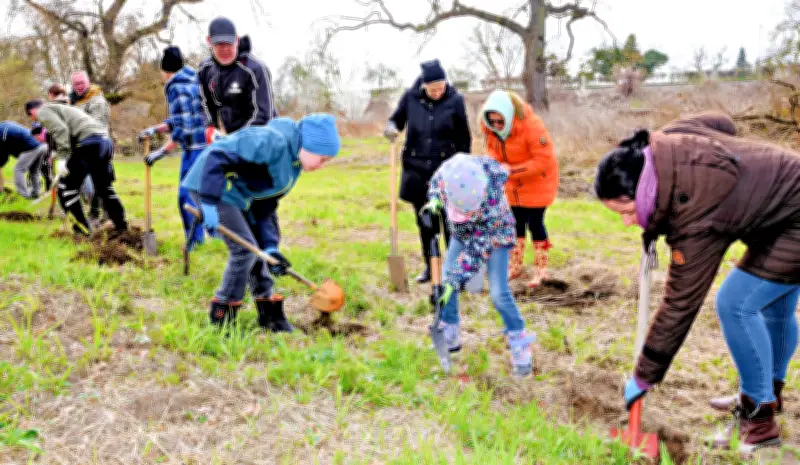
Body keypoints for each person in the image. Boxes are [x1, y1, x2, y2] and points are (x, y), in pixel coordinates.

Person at [594, 111, 800, 454]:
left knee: (736, 303)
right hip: (783, 203)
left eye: (627, 211)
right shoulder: (669, 141)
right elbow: (722, 122)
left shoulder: (693, 212)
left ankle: (758, 420)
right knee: (775, 309)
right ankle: (768, 392)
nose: (628, 223)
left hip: (793, 219)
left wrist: (645, 375)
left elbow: (680, 305)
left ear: (644, 188)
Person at [182, 113, 340, 332]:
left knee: (258, 250)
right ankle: (221, 318)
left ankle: (270, 315)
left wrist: (270, 246)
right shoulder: (270, 141)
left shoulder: (293, 166)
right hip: (211, 185)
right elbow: (217, 157)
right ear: (309, 145)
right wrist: (208, 203)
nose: (321, 166)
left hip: (238, 196)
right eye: (322, 159)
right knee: (244, 250)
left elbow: (265, 208)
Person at [421, 153, 535, 377]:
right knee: (445, 279)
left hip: (495, 236)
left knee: (498, 292)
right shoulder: (449, 173)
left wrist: (455, 281)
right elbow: (436, 182)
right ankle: (450, 331)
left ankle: (520, 342)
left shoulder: (491, 204)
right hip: (461, 234)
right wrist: (434, 200)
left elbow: (474, 254)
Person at [197, 17, 281, 260]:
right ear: (208, 43)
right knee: (238, 194)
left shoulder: (255, 69)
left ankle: (270, 249)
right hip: (232, 139)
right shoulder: (205, 71)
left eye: (229, 44)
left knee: (262, 197)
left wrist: (235, 143)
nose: (224, 49)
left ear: (237, 40)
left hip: (262, 141)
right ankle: (248, 254)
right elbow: (204, 105)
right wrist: (210, 127)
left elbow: (263, 114)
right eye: (218, 45)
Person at [384, 59, 472, 283]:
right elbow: (395, 120)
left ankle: (453, 270)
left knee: (450, 222)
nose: (437, 93)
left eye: (440, 88)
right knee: (426, 222)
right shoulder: (410, 98)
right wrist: (391, 129)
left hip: (447, 171)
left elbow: (464, 137)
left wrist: (463, 167)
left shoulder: (455, 100)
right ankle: (430, 266)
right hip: (417, 170)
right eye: (433, 89)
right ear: (424, 86)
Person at [480, 90, 559, 288]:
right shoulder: (489, 128)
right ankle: (515, 266)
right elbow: (491, 148)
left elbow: (543, 160)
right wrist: (493, 163)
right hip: (512, 184)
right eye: (493, 122)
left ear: (509, 114)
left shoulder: (532, 126)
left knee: (535, 223)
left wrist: (511, 170)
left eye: (500, 121)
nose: (497, 126)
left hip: (537, 182)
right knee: (515, 223)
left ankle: (541, 270)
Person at [138, 46, 208, 248]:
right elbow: (179, 120)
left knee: (186, 197)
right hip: (200, 146)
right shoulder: (191, 81)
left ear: (165, 70)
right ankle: (200, 238)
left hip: (196, 148)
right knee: (194, 196)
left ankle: (195, 242)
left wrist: (161, 152)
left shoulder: (176, 87)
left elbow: (183, 129)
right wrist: (155, 129)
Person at [25, 98, 128, 235]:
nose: (35, 120)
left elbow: (60, 130)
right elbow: (73, 130)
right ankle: (122, 227)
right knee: (104, 189)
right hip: (104, 143)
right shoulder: (66, 109)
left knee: (66, 188)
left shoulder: (43, 111)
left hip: (89, 144)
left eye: (32, 117)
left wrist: (62, 158)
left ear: (32, 112)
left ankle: (84, 230)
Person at [70, 71, 111, 226]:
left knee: (99, 180)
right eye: (76, 84)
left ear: (88, 82)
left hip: (97, 145)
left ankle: (97, 214)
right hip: (81, 148)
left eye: (82, 83)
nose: (79, 86)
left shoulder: (97, 100)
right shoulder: (74, 100)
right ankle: (101, 213)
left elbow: (94, 125)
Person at [0, 120, 48, 199]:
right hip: (41, 145)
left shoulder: (2, 131)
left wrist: (1, 162)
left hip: (32, 146)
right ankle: (36, 193)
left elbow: (3, 148)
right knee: (34, 170)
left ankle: (24, 195)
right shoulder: (6, 125)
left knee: (18, 169)